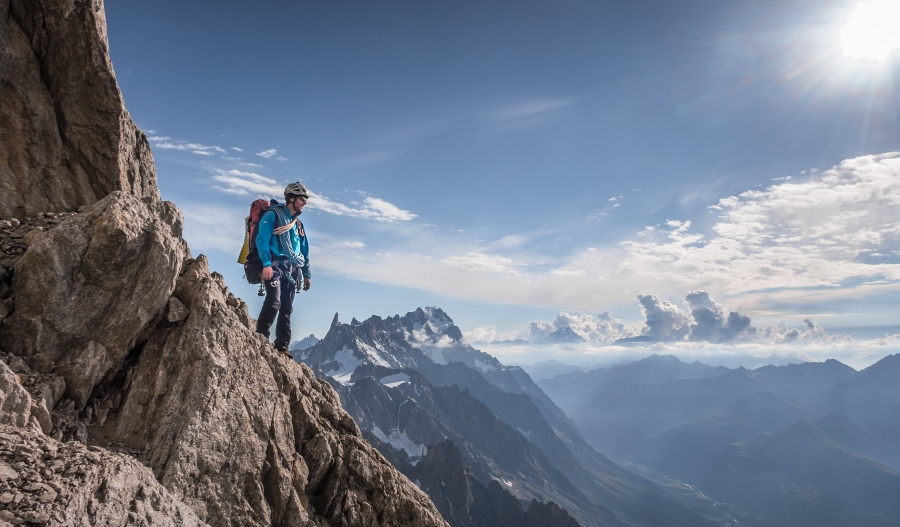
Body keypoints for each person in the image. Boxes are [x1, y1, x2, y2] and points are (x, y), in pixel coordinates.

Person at [255, 182, 311, 356]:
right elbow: (261, 240)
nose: (305, 203)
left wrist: (306, 274)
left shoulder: (298, 225)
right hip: (274, 266)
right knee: (274, 302)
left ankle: (282, 346)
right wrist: (265, 264)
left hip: (293, 269)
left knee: (286, 307)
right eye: (302, 199)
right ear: (291, 199)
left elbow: (303, 250)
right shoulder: (272, 215)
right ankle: (261, 338)